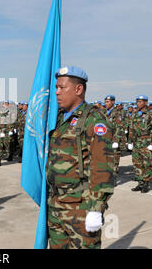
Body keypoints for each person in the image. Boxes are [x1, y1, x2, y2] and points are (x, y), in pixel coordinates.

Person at [47, 66, 114, 249]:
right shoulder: (58, 118)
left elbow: (102, 167)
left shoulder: (94, 120)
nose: (57, 93)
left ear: (78, 89)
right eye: (56, 88)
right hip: (56, 205)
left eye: (62, 88)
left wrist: (96, 208)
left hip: (80, 208)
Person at [128, 95, 152, 193]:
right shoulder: (134, 114)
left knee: (147, 163)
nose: (138, 103)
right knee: (137, 163)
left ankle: (146, 184)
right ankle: (140, 183)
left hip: (146, 142)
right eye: (137, 102)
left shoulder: (151, 114)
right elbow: (131, 129)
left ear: (145, 103)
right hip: (137, 142)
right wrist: (130, 141)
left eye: (140, 102)